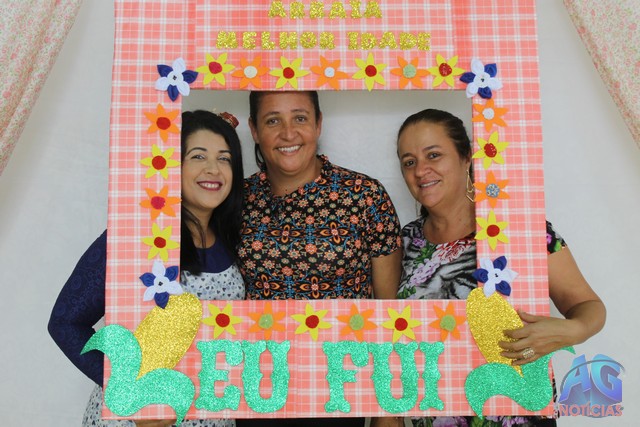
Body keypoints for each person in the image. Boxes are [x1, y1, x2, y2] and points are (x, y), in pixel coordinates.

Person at [394, 108, 606, 427]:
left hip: (516, 416)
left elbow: (589, 305)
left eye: (433, 155)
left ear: (467, 157)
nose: (421, 170)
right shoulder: (404, 242)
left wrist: (574, 330)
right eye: (409, 162)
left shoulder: (519, 230)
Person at [48, 110, 245, 427]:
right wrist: (131, 393)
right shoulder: (136, 236)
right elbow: (65, 322)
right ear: (173, 165)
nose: (213, 169)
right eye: (198, 156)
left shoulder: (232, 237)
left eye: (224, 158)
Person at [236, 91, 403, 427]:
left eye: (300, 118)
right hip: (255, 391)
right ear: (254, 130)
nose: (288, 133)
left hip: (341, 391)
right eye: (273, 120)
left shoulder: (364, 196)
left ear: (318, 123)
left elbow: (390, 313)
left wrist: (388, 408)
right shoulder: (236, 200)